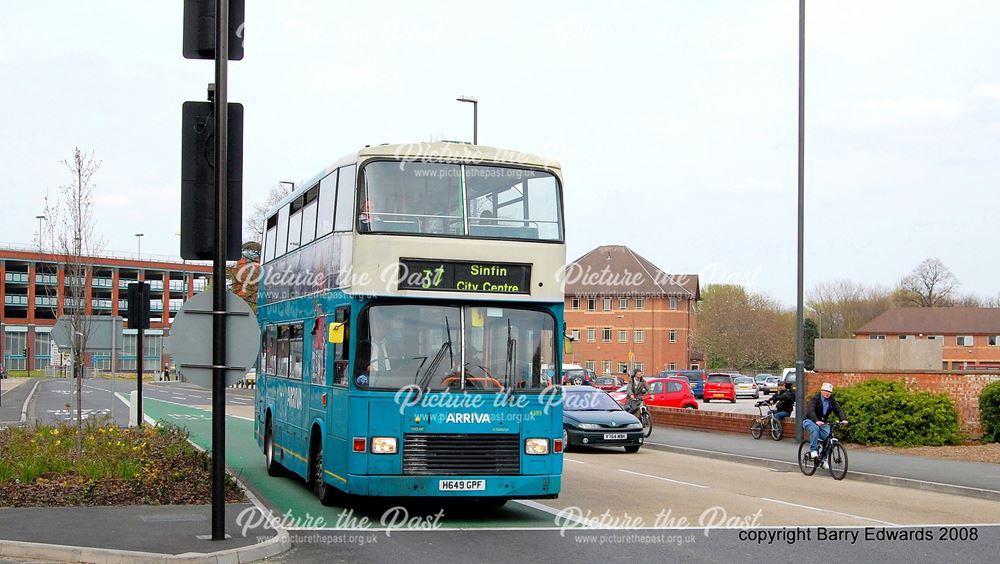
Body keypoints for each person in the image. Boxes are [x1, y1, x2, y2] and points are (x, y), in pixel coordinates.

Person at [802, 382, 848, 459]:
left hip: (822, 423)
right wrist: (816, 420)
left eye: (829, 392)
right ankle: (813, 450)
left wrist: (843, 419)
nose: (827, 393)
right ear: (821, 391)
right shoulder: (815, 399)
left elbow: (838, 410)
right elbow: (811, 410)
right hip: (810, 420)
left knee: (829, 437)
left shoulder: (831, 400)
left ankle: (823, 458)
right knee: (815, 429)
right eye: (826, 391)